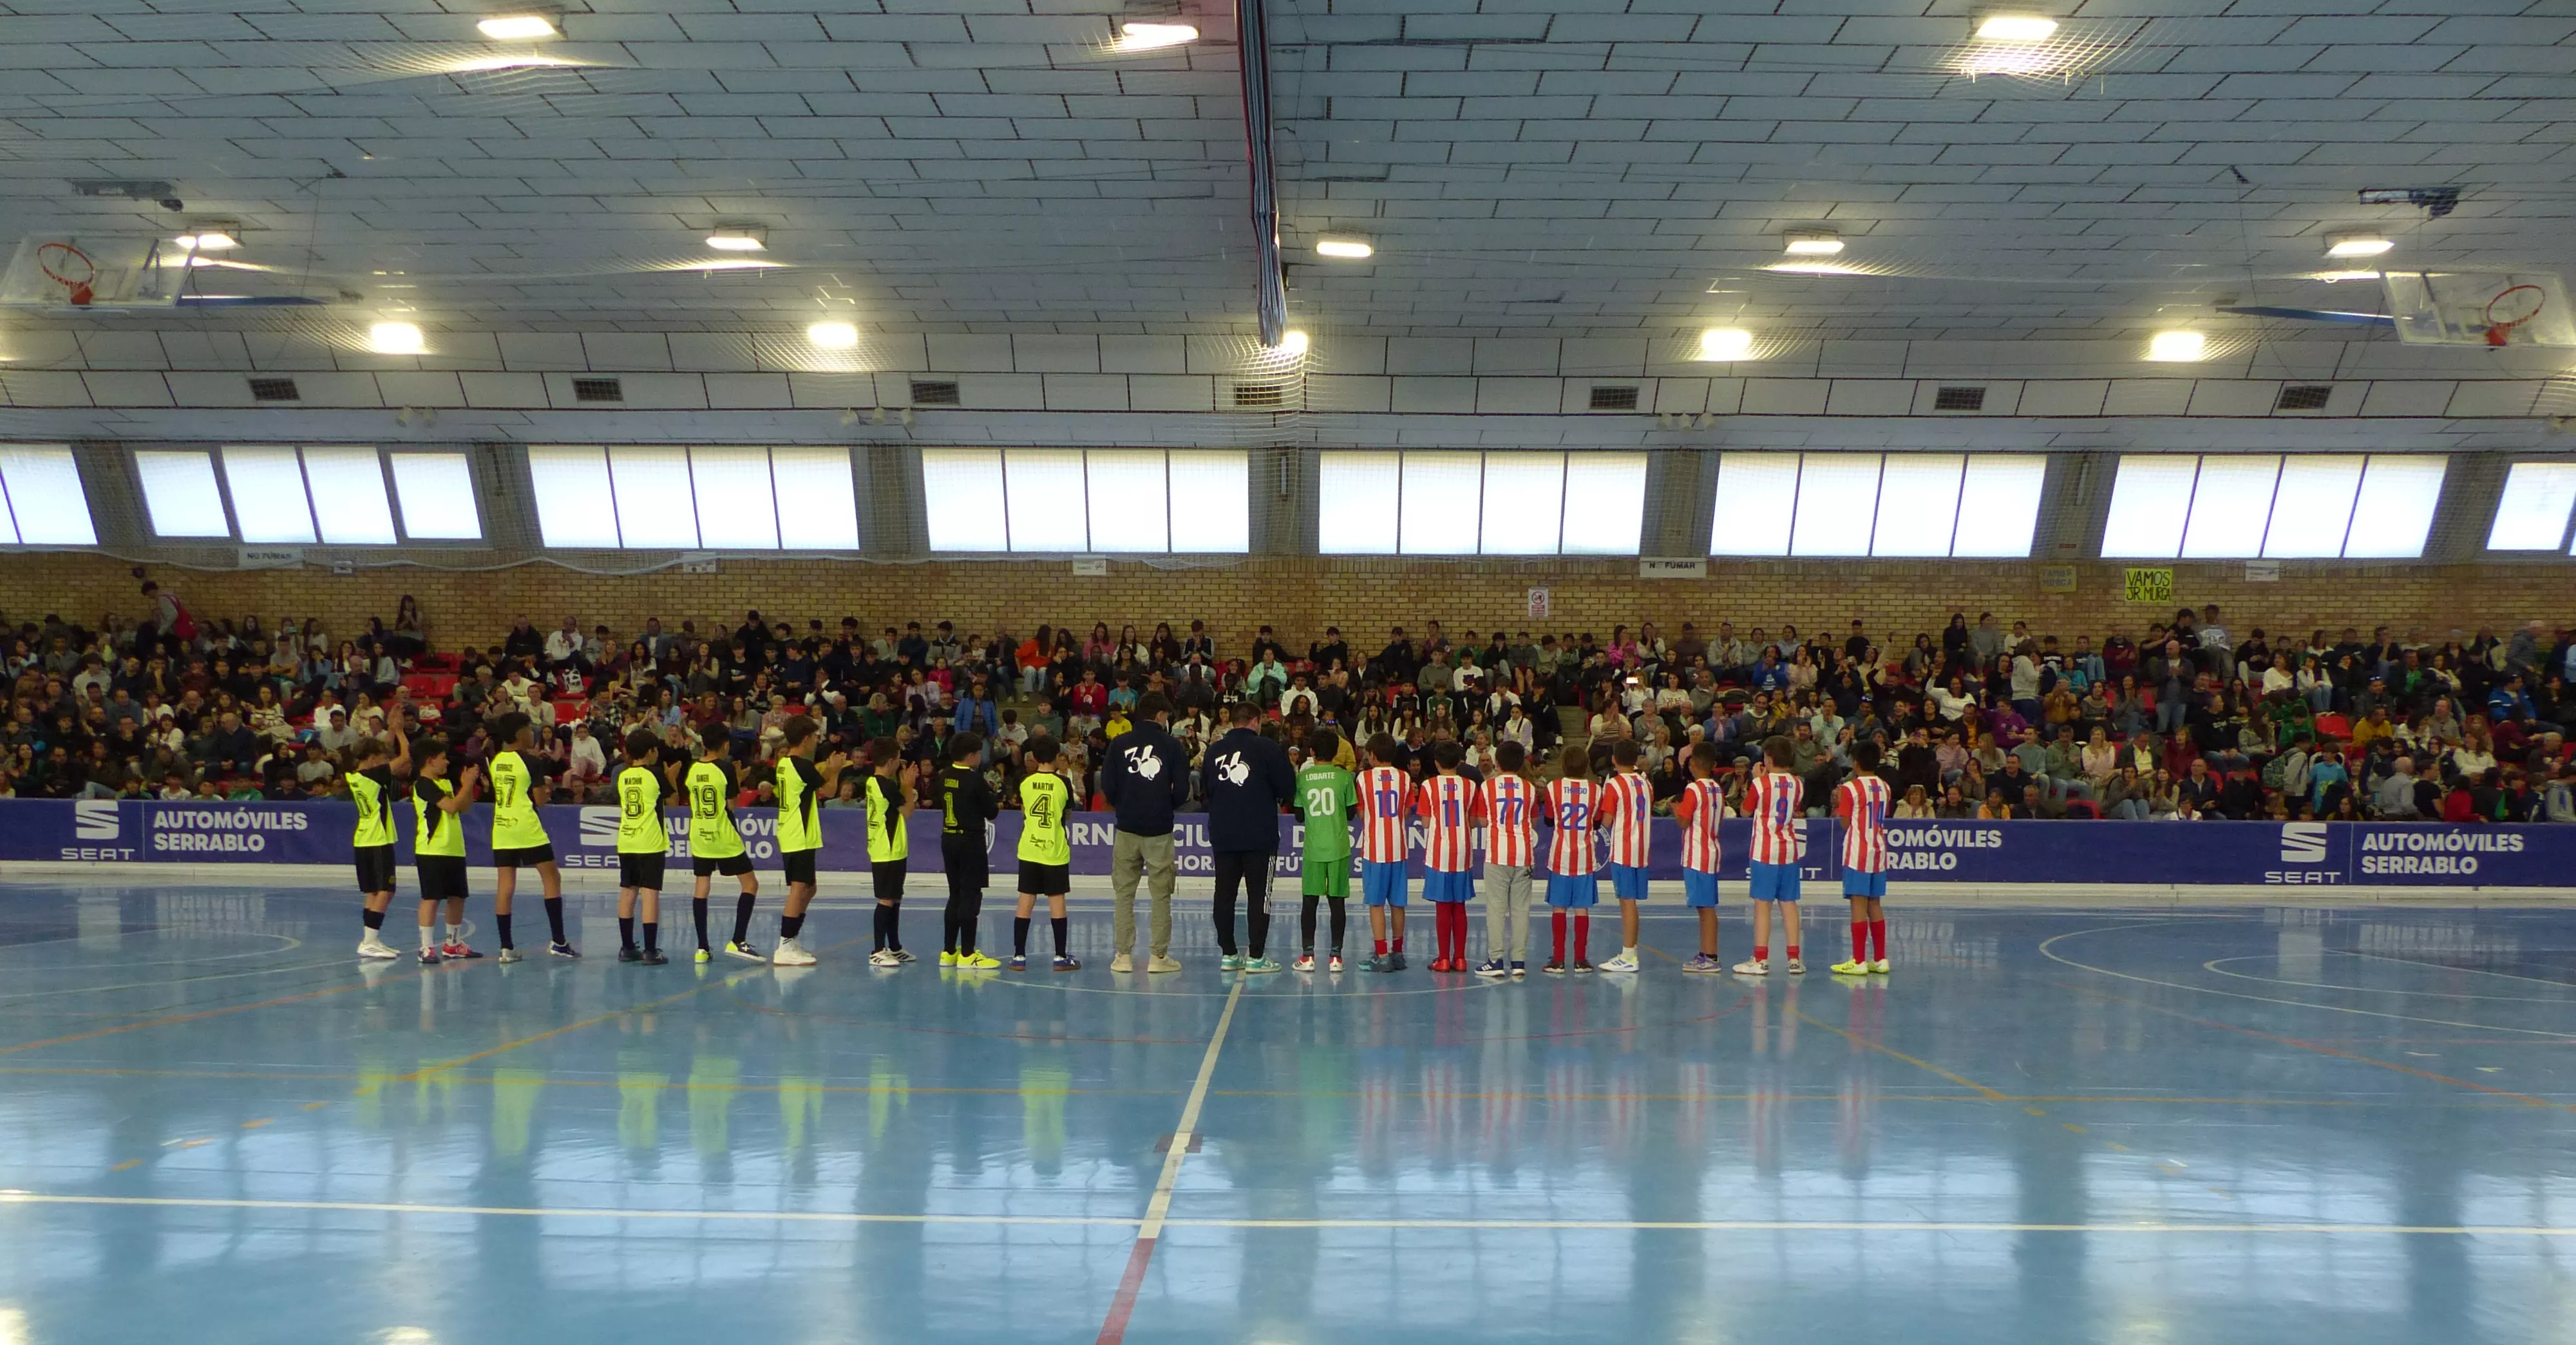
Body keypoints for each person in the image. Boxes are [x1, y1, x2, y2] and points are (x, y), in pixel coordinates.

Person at [1202, 701, 1296, 973]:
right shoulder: (1267, 748)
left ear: (1233, 721)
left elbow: (1207, 789)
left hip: (1223, 833)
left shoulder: (1215, 750)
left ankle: (1229, 954)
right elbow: (1287, 787)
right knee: (1260, 896)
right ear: (1256, 721)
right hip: (1260, 835)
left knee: (1224, 894)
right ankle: (1256, 956)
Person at [1102, 691, 1190, 973]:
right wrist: (1165, 805)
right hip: (1159, 829)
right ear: (1162, 715)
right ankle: (1158, 957)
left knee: (1124, 894)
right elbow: (1184, 790)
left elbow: (1108, 786)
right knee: (1161, 894)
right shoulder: (1173, 746)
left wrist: (1125, 806)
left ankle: (1123, 957)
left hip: (1126, 828)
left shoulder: (1118, 744)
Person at [485, 712, 574, 963]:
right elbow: (540, 800)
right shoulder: (531, 762)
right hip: (527, 826)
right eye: (529, 729)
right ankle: (558, 941)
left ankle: (506, 948)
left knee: (505, 885)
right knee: (552, 878)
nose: (532, 733)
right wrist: (547, 788)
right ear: (519, 734)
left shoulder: (496, 760)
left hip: (502, 827)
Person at [683, 722, 762, 963]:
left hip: (699, 833)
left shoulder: (693, 768)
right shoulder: (726, 768)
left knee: (702, 886)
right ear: (725, 745)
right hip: (723, 833)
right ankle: (738, 940)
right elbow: (732, 805)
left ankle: (702, 948)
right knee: (750, 884)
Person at [772, 715, 846, 968]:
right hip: (798, 834)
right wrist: (835, 771)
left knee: (809, 888)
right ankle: (785, 944)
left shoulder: (784, 763)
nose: (817, 740)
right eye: (815, 736)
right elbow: (828, 791)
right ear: (805, 739)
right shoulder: (801, 765)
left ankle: (791, 940)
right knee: (799, 888)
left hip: (793, 832)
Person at [1736, 735, 1804, 976]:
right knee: (1789, 904)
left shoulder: (1761, 784)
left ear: (1769, 758)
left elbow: (1745, 812)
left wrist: (1757, 780)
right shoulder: (1798, 783)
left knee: (1762, 905)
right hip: (1789, 849)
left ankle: (1761, 959)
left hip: (1765, 849)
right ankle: (1795, 960)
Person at [408, 737, 480, 964]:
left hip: (454, 848)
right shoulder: (423, 784)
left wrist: (467, 787)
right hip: (432, 849)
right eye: (442, 758)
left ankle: (453, 943)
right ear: (430, 761)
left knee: (458, 897)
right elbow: (450, 806)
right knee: (432, 898)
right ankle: (426, 947)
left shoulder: (445, 784)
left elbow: (463, 807)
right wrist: (467, 785)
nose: (447, 762)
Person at [1012, 735, 1081, 972]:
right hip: (1054, 848)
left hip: (1030, 848)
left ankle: (1019, 956)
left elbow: (1024, 812)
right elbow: (1068, 814)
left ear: (1034, 757)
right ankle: (1060, 956)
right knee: (1057, 899)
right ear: (1056, 757)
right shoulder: (1063, 783)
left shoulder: (1025, 782)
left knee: (1026, 899)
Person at [934, 731, 1001, 970]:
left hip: (948, 838)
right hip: (970, 841)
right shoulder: (974, 780)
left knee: (955, 894)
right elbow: (991, 812)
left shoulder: (943, 776)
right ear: (971, 755)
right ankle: (968, 954)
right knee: (971, 896)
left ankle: (949, 951)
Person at [1293, 726, 1359, 972]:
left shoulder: (1303, 778)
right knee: (1337, 902)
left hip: (1314, 848)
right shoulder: (1344, 778)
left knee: (1309, 902)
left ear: (1312, 752)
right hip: (1339, 846)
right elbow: (1352, 813)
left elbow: (1299, 815)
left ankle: (1308, 956)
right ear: (1336, 752)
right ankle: (1336, 958)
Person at [1472, 740, 1539, 979]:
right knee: (1521, 909)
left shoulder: (1488, 788)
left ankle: (1495, 959)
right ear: (1521, 764)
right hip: (1524, 854)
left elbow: (1482, 821)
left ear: (1497, 762)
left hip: (1498, 854)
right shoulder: (1529, 789)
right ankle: (1519, 961)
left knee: (1496, 908)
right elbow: (1532, 821)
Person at [1414, 739, 1477, 972]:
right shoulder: (1470, 786)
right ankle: (1460, 958)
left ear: (1437, 763)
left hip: (1440, 851)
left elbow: (1426, 822)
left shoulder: (1429, 786)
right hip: (1463, 850)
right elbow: (1472, 822)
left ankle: (1443, 958)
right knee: (1459, 905)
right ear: (1460, 761)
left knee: (1442, 906)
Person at [1830, 741, 1893, 976]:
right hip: (1878, 849)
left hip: (1858, 850)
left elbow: (1845, 822)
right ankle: (1880, 959)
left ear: (1855, 763)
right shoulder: (1885, 787)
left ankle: (1858, 960)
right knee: (1875, 903)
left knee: (1858, 903)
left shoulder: (1851, 788)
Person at [1539, 744, 1602, 974]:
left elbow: (1548, 820)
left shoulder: (1554, 787)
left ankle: (1557, 959)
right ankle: (1581, 959)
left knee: (1559, 908)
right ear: (1586, 766)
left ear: (1563, 765)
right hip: (1585, 856)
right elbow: (1596, 822)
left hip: (1560, 856)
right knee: (1582, 910)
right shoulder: (1596, 790)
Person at [1596, 738, 1654, 974]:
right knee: (1631, 903)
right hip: (1642, 849)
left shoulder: (1615, 785)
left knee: (1627, 903)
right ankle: (1629, 951)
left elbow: (1607, 821)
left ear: (1613, 759)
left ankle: (1629, 954)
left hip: (1624, 849)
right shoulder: (1646, 784)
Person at [612, 728, 670, 966]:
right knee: (650, 893)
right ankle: (650, 950)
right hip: (650, 841)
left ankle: (627, 947)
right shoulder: (655, 774)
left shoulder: (623, 775)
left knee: (628, 890)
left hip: (627, 839)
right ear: (650, 752)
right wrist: (672, 776)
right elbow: (672, 799)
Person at [349, 726, 408, 960]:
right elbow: (405, 759)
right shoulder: (374, 776)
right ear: (373, 759)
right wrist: (401, 735)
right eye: (382, 759)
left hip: (364, 838)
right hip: (377, 839)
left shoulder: (356, 775)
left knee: (374, 891)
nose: (386, 762)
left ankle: (370, 939)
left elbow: (383, 750)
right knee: (386, 889)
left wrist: (393, 730)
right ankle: (369, 941)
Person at [1358, 733, 1414, 972]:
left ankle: (1381, 955)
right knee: (1398, 903)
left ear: (1372, 755)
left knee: (1377, 904)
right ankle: (1398, 953)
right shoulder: (1405, 777)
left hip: (1375, 850)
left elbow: (1361, 813)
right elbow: (1407, 812)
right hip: (1398, 849)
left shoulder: (1363, 778)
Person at [1671, 742, 1726, 972]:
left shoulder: (1694, 790)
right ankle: (1705, 953)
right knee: (1706, 905)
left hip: (1697, 852)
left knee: (1705, 907)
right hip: (1711, 848)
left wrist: (1676, 809)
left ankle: (1710, 956)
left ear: (1693, 763)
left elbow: (1684, 822)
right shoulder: (1717, 789)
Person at [862, 736, 911, 967]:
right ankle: (878, 949)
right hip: (887, 849)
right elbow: (908, 811)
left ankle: (894, 946)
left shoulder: (873, 781)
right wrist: (909, 787)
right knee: (886, 899)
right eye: (898, 760)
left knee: (895, 897)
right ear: (891, 761)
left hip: (890, 847)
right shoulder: (887, 785)